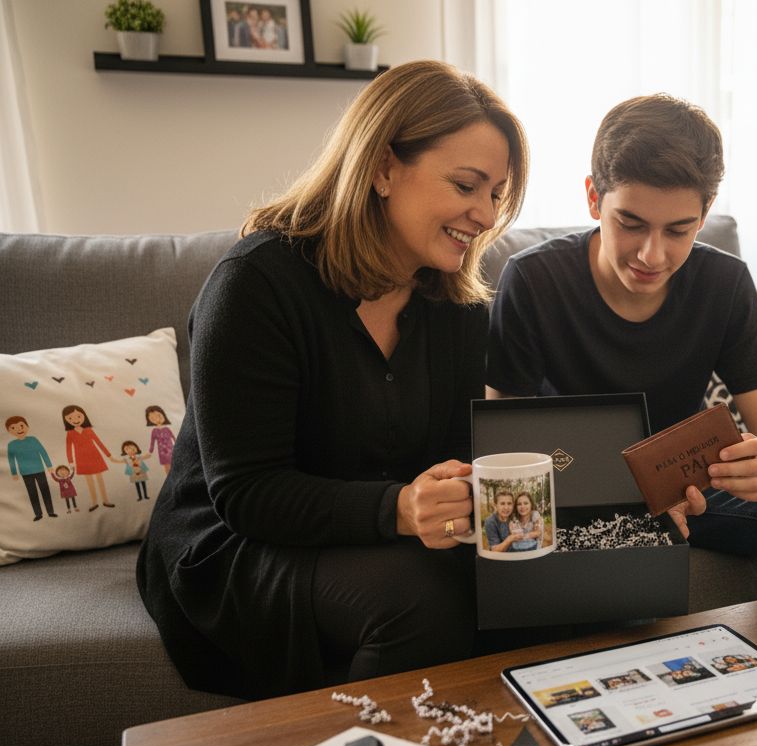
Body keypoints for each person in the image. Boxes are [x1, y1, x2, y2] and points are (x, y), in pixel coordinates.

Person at [136, 60, 529, 700]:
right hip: (236, 542)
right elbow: (247, 492)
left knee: (537, 585)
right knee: (417, 601)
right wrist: (399, 508)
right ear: (381, 167)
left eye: (497, 194)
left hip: (374, 527)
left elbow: (452, 459)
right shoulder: (255, 285)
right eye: (466, 185)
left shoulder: (457, 307)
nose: (485, 216)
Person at [487, 94, 757, 598]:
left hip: (690, 492)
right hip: (578, 499)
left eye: (678, 230)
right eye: (630, 224)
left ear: (704, 216)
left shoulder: (724, 283)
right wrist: (619, 513)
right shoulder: (532, 280)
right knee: (635, 561)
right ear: (594, 198)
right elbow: (505, 458)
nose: (651, 255)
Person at [6, 416, 57, 521]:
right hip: (25, 472)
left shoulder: (33, 439)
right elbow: (11, 460)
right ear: (9, 431)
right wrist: (14, 472)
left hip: (39, 469)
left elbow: (42, 451)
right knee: (32, 493)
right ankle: (38, 514)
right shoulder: (12, 445)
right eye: (13, 428)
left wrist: (49, 465)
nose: (19, 429)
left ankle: (50, 511)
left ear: (27, 426)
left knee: (45, 491)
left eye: (21, 426)